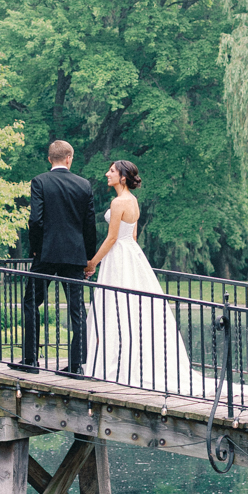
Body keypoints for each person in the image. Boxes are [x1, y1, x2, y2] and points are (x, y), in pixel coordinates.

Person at [84, 160, 194, 394]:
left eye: (112, 171)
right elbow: (132, 235)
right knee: (132, 307)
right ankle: (131, 361)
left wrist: (92, 262)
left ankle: (114, 364)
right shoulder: (133, 201)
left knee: (114, 307)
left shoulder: (118, 202)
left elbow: (112, 238)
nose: (107, 174)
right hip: (132, 255)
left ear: (122, 177)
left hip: (117, 256)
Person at [21, 140, 98, 372]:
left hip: (46, 253)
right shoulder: (84, 185)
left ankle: (31, 360)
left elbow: (35, 220)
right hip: (74, 255)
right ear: (69, 158)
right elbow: (89, 225)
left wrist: (35, 248)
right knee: (77, 309)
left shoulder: (40, 181)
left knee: (31, 303)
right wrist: (88, 258)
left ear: (49, 159)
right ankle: (76, 365)